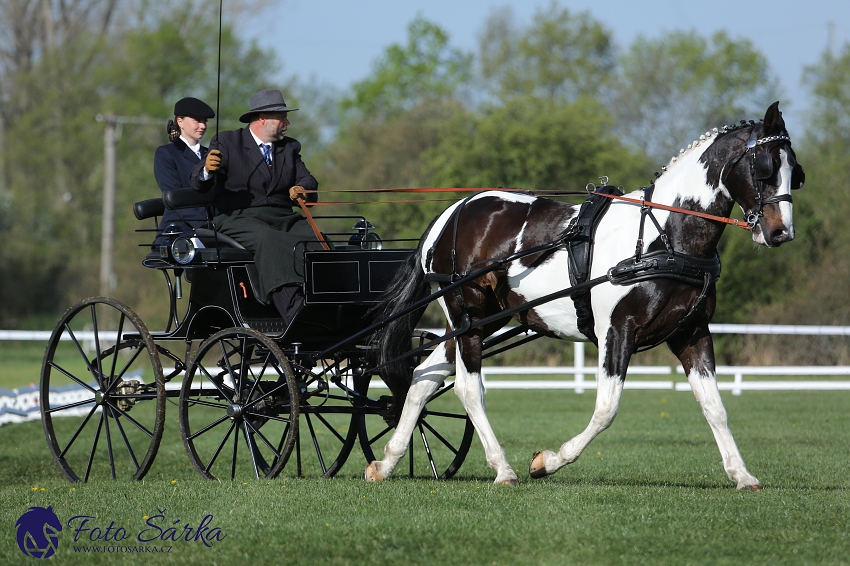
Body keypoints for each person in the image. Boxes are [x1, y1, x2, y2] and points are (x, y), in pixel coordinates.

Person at [189, 88, 319, 323]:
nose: (287, 123)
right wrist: (207, 169)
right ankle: (294, 312)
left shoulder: (289, 148)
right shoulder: (228, 142)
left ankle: (325, 299)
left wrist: (301, 189)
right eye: (282, 117)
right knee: (268, 240)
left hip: (283, 218)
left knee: (316, 239)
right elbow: (198, 181)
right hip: (238, 217)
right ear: (262, 119)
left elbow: (307, 180)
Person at [153, 97, 216, 248]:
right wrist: (204, 226)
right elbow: (175, 196)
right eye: (197, 120)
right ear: (180, 121)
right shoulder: (166, 153)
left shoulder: (211, 155)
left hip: (214, 229)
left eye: (205, 121)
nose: (203, 125)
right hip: (181, 228)